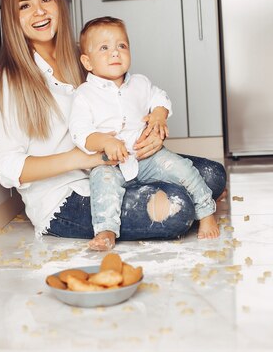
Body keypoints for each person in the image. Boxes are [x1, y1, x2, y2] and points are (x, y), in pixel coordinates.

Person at [0, 0, 226, 244]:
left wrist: (152, 127)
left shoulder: (83, 60)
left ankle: (167, 194)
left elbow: (128, 100)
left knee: (213, 174)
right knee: (179, 208)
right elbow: (5, 167)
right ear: (12, 17)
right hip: (67, 196)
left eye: (46, 0)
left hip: (121, 166)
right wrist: (82, 159)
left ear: (58, 5)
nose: (39, 11)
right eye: (25, 6)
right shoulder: (11, 81)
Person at [69, 16, 219, 251]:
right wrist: (105, 141)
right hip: (110, 163)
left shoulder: (140, 83)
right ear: (87, 62)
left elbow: (161, 98)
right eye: (105, 48)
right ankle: (106, 230)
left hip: (147, 157)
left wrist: (158, 115)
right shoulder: (84, 94)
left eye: (122, 46)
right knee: (102, 184)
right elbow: (80, 132)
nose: (115, 53)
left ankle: (206, 212)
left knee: (182, 169)